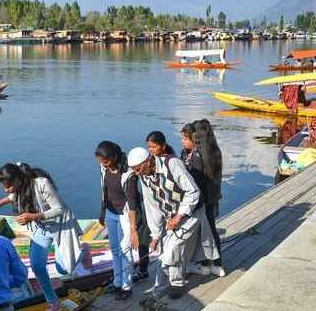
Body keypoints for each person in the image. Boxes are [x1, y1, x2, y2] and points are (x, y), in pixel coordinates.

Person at [0, 163, 84, 311]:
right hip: (41, 228)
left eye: (8, 186)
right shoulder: (20, 186)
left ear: (18, 180)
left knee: (64, 269)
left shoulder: (41, 183)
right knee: (37, 266)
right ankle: (53, 302)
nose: (6, 190)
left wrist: (32, 216)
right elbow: (14, 194)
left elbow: (59, 209)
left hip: (59, 226)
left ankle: (83, 251)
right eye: (4, 187)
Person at [127, 147, 219, 300]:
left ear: (148, 161)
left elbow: (193, 192)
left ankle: (175, 283)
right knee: (166, 251)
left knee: (173, 248)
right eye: (134, 170)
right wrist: (155, 236)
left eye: (138, 169)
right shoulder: (144, 178)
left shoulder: (172, 164)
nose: (137, 173)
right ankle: (171, 283)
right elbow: (152, 207)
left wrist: (179, 216)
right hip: (171, 218)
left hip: (191, 213)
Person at [94, 141, 148, 300]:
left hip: (125, 216)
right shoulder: (104, 169)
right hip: (111, 213)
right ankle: (117, 282)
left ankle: (126, 287)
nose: (103, 164)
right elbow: (104, 191)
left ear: (115, 156)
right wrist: (102, 212)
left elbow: (132, 204)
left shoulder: (128, 175)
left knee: (125, 251)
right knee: (115, 249)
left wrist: (133, 230)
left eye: (105, 161)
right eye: (100, 161)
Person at [180, 120, 225, 277]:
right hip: (210, 199)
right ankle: (216, 263)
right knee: (211, 230)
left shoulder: (199, 156)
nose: (183, 141)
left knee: (205, 232)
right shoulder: (213, 151)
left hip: (201, 201)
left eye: (186, 138)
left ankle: (206, 263)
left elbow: (197, 183)